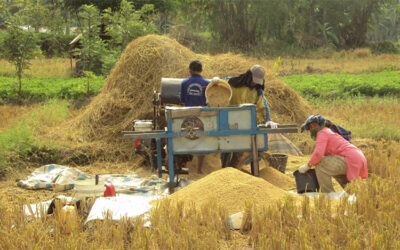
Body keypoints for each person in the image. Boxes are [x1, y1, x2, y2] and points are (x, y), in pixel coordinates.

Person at [221, 64, 278, 168]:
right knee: (226, 148)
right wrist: (216, 82)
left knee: (239, 149)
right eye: (254, 80)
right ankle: (224, 169)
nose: (255, 83)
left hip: (244, 123)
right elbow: (219, 85)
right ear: (248, 76)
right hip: (228, 120)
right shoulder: (233, 83)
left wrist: (268, 120)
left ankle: (233, 169)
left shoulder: (257, 90)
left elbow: (263, 106)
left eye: (257, 81)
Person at [298, 114, 368, 193]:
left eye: (310, 127)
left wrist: (308, 165)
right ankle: (354, 193)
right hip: (356, 157)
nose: (310, 130)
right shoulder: (327, 131)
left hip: (351, 158)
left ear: (314, 125)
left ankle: (328, 195)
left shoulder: (322, 133)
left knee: (320, 164)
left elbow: (318, 154)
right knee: (330, 168)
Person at [180, 60, 210, 173]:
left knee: (184, 139)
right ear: (201, 70)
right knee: (202, 141)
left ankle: (183, 165)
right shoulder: (207, 83)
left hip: (187, 115)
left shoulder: (184, 83)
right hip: (202, 116)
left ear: (190, 70)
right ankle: (199, 169)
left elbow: (182, 100)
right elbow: (209, 101)